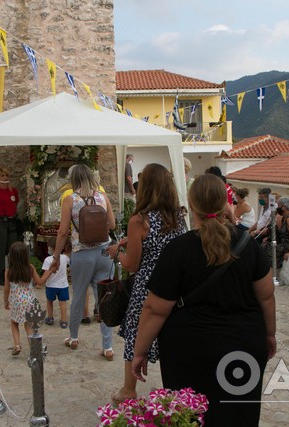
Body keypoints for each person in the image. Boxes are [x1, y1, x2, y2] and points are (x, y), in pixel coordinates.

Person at [132, 174, 276, 425]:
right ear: (225, 203)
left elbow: (155, 309)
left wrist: (139, 351)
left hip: (189, 350)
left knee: (190, 417)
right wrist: (270, 335)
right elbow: (267, 297)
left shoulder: (178, 250)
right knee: (238, 416)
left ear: (192, 204)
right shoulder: (247, 244)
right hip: (243, 345)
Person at [105, 163, 186, 405]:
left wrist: (114, 253)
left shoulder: (139, 220)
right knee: (171, 337)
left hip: (147, 287)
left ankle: (129, 389)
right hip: (175, 286)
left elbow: (131, 264)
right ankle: (175, 389)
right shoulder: (177, 216)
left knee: (137, 334)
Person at [51, 164, 116, 360]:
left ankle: (74, 337)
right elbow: (112, 224)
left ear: (73, 179)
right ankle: (108, 346)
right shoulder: (103, 197)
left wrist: (56, 255)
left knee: (78, 296)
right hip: (105, 253)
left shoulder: (70, 200)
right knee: (104, 299)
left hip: (82, 253)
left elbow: (63, 232)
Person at [3, 242, 55, 356]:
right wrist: (50, 271)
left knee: (14, 322)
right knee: (29, 324)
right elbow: (40, 282)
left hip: (16, 301)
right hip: (30, 300)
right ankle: (33, 347)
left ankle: (17, 344)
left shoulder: (9, 271)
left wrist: (6, 301)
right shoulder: (30, 268)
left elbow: (6, 289)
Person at [0, 167, 20, 286]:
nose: (5, 178)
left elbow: (15, 203)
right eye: (2, 175)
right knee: (1, 249)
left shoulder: (13, 191)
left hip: (12, 222)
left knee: (12, 249)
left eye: (7, 175)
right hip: (0, 221)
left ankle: (12, 273)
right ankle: (2, 275)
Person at [264, 196, 289, 268]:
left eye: (278, 205)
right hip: (286, 244)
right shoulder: (287, 217)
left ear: (283, 207)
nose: (277, 208)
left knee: (266, 248)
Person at [43, 237, 70, 329]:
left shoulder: (47, 260)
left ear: (50, 247)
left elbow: (46, 273)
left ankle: (50, 318)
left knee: (49, 301)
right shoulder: (65, 258)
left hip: (50, 285)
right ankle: (64, 321)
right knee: (63, 303)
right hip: (63, 285)